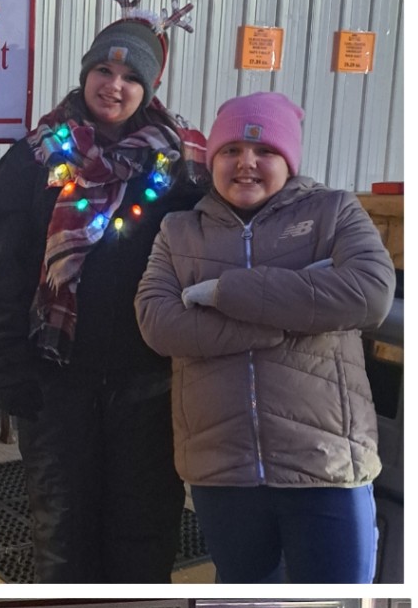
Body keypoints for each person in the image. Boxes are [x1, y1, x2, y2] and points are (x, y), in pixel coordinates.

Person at [0, 0, 207, 581]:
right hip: (56, 385)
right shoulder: (35, 159)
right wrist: (9, 365)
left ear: (148, 88)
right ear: (85, 74)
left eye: (131, 78)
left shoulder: (178, 168)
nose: (115, 85)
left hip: (147, 388)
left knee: (143, 534)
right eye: (104, 70)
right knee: (64, 536)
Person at [135, 92, 396, 582]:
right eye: (231, 150)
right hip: (222, 467)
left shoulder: (334, 213)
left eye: (265, 152)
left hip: (325, 463)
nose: (246, 163)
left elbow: (369, 294)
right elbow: (158, 322)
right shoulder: (179, 231)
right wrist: (294, 316)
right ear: (212, 159)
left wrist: (224, 291)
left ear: (289, 161)